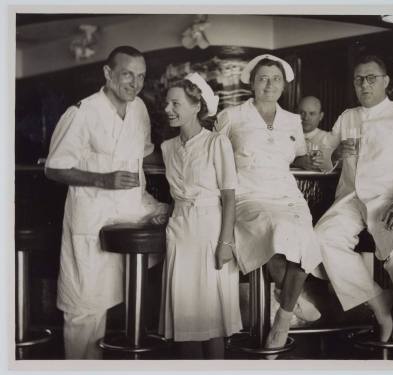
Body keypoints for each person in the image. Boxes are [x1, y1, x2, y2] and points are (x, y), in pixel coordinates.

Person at [45, 46, 166, 359]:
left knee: (186, 227)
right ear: (108, 73)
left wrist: (189, 149)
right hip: (93, 217)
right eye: (128, 74)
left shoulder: (139, 107)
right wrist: (102, 179)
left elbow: (145, 153)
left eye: (141, 76)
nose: (135, 83)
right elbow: (54, 167)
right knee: (86, 307)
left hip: (133, 212)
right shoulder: (81, 112)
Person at [314, 55, 393, 342]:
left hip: (392, 200)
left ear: (385, 81)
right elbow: (321, 158)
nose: (364, 85)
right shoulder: (347, 117)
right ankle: (377, 301)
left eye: (371, 78)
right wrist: (333, 154)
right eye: (359, 79)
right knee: (321, 238)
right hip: (352, 200)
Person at [215, 54, 322, 353]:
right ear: (251, 82)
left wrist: (310, 160)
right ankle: (292, 297)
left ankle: (283, 319)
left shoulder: (292, 120)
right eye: (263, 78)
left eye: (275, 79)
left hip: (288, 196)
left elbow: (297, 156)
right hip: (249, 196)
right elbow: (212, 154)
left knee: (301, 237)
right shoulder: (231, 116)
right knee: (276, 238)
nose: (269, 84)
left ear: (284, 85)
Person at [152, 73, 242, 359]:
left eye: (175, 103)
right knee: (185, 317)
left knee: (212, 316)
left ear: (196, 106)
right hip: (179, 229)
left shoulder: (217, 143)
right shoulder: (167, 148)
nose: (168, 109)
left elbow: (229, 197)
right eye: (167, 104)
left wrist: (225, 243)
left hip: (211, 230)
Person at [296, 96, 336, 172]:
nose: (306, 118)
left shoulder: (330, 139)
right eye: (302, 113)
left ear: (321, 116)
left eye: (312, 113)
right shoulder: (285, 136)